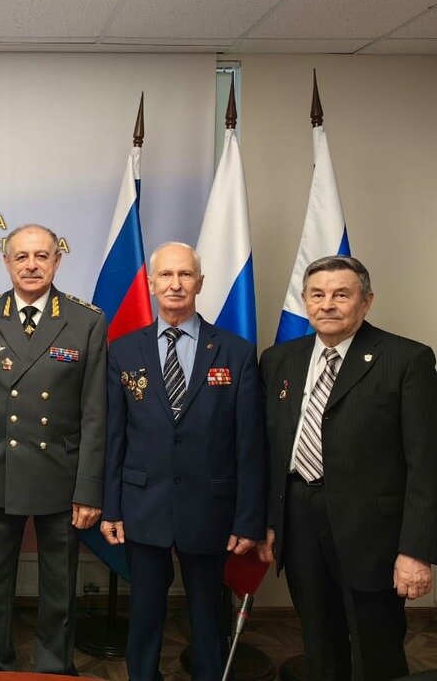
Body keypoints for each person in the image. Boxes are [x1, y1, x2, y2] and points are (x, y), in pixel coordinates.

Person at [258, 255, 437, 680]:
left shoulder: (407, 359)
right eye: (317, 295)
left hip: (372, 533)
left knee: (377, 652)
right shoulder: (278, 359)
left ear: (366, 301)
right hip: (299, 522)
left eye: (341, 294)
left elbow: (426, 463)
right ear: (304, 301)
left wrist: (416, 551)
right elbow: (270, 448)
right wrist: (269, 520)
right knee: (319, 645)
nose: (327, 304)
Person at [100, 242, 264, 681]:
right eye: (166, 275)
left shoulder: (236, 352)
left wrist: (248, 519)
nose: (175, 284)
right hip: (143, 505)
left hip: (210, 508)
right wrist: (111, 507)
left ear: (200, 283)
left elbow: (250, 445)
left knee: (208, 616)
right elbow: (114, 437)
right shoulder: (123, 351)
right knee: (144, 614)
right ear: (151, 284)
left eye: (185, 274)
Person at [0, 223, 106, 675]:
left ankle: (53, 666)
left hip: (60, 474)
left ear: (57, 261)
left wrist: (89, 488)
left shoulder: (86, 321)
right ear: (6, 263)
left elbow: (95, 413)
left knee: (60, 585)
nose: (31, 265)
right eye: (21, 256)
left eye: (42, 255)